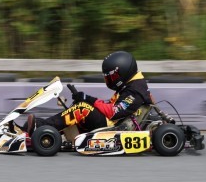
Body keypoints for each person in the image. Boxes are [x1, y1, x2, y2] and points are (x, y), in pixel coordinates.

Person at [21, 51, 155, 137]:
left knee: (82, 108)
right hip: (111, 121)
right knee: (81, 106)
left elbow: (113, 112)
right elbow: (111, 106)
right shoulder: (131, 85)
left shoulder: (135, 90)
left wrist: (88, 99)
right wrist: (87, 100)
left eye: (112, 77)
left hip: (114, 127)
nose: (110, 80)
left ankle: (41, 129)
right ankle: (41, 128)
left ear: (124, 72)